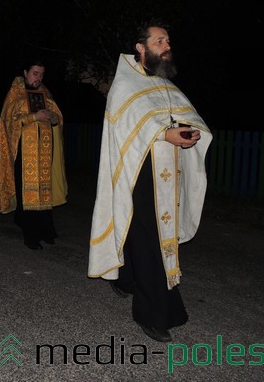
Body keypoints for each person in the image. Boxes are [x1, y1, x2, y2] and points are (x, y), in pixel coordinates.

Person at [87, 19, 212, 343]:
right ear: (140, 48)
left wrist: (187, 130)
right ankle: (153, 314)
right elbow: (129, 129)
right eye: (159, 41)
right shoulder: (126, 85)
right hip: (138, 173)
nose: (166, 46)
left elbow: (183, 117)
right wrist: (164, 132)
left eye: (167, 41)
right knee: (149, 240)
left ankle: (126, 278)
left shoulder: (166, 86)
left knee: (144, 236)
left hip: (167, 175)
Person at [0, 61, 68, 250]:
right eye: (35, 73)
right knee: (29, 193)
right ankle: (31, 235)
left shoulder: (45, 93)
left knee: (44, 189)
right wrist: (34, 117)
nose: (38, 77)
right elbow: (8, 121)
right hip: (24, 152)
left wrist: (53, 118)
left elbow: (58, 117)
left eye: (41, 74)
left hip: (45, 150)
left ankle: (46, 230)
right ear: (25, 73)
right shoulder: (15, 93)